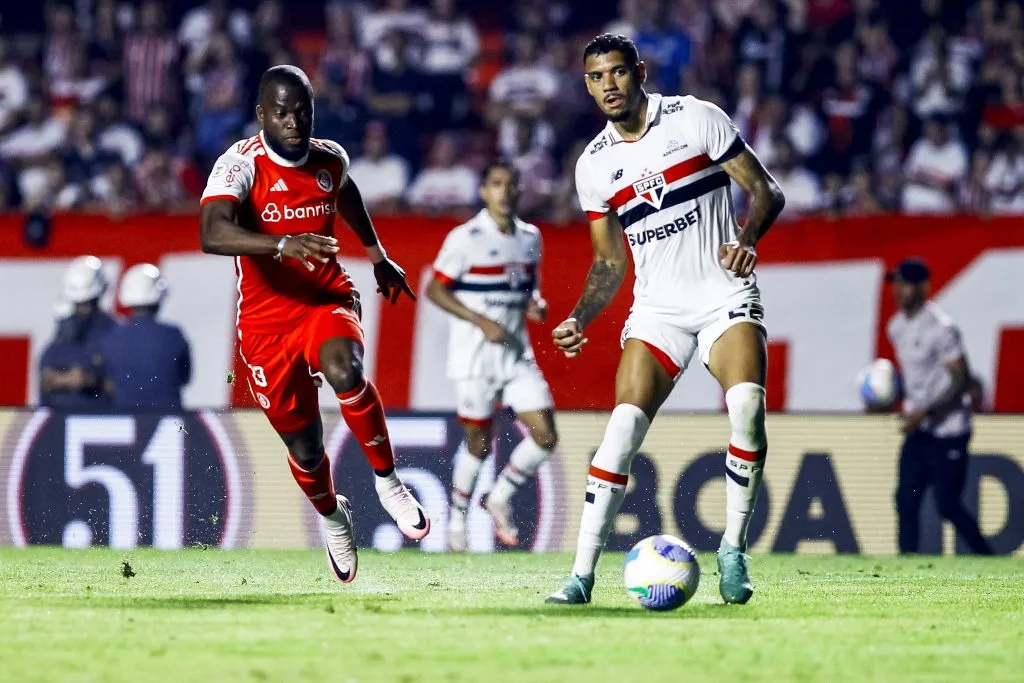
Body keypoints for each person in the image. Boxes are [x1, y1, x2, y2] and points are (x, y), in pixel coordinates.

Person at [546, 34, 785, 606]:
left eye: (617, 72)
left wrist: (747, 239)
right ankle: (580, 577)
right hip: (659, 311)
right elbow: (609, 261)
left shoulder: (694, 118)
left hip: (724, 294)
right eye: (596, 76)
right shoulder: (594, 165)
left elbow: (766, 191)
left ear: (640, 72)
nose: (608, 85)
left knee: (746, 408)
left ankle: (732, 548)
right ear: (587, 86)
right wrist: (580, 316)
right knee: (622, 431)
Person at [198, 65, 429, 584]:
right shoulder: (240, 165)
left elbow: (344, 191)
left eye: (302, 112)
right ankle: (332, 518)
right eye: (281, 113)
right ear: (262, 115)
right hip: (265, 324)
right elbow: (212, 233)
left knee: (346, 370)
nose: (293, 122)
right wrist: (281, 244)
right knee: (304, 447)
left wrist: (377, 255)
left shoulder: (330, 158)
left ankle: (389, 482)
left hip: (325, 299)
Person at [425, 159, 558, 552]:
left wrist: (534, 304)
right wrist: (479, 320)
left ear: (519, 190)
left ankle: (499, 497)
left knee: (545, 435)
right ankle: (457, 521)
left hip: (516, 355)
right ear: (484, 191)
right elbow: (435, 289)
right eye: (496, 184)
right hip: (474, 359)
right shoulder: (465, 237)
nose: (504, 191)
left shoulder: (531, 237)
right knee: (479, 445)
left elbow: (524, 285)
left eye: (510, 184)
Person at [885, 258, 993, 555]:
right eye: (896, 282)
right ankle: (906, 566)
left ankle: (986, 556)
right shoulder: (896, 326)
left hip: (949, 431)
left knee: (947, 504)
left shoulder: (942, 328)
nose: (898, 289)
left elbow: (961, 380)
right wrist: (890, 397)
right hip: (919, 431)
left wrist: (926, 412)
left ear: (924, 287)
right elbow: (917, 379)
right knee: (906, 501)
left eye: (906, 283)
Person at [101, 263, 191, 410]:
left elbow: (106, 383)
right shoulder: (173, 335)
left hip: (123, 420)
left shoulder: (110, 336)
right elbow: (185, 378)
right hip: (169, 418)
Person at [39, 256, 119, 408]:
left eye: (88, 302)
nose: (84, 309)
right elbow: (45, 379)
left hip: (102, 415)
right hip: (62, 415)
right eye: (79, 304)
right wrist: (65, 380)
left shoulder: (114, 332)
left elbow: (125, 381)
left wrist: (91, 379)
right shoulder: (63, 333)